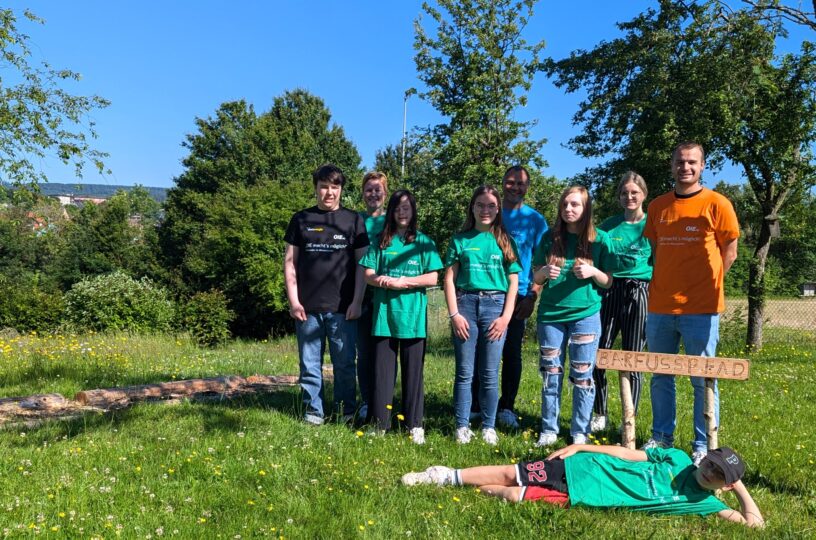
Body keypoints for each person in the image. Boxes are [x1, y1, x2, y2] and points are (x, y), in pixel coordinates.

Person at [643, 142, 739, 465]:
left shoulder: (718, 204)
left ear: (702, 166)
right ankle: (661, 438)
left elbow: (731, 251)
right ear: (671, 166)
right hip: (659, 307)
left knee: (703, 379)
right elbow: (655, 250)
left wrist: (708, 286)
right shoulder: (657, 207)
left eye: (692, 162)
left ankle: (703, 444)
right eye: (680, 162)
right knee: (660, 375)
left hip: (702, 309)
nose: (685, 167)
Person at [400, 444, 765, 528]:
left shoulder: (706, 504)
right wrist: (582, 446)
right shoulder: (679, 460)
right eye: (710, 463)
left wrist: (740, 487)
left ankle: (474, 489)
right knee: (515, 472)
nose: (708, 472)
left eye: (719, 474)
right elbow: (627, 453)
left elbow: (755, 525)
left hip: (585, 497)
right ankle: (446, 475)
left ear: (725, 485)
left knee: (512, 494)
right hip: (587, 466)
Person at [283, 164, 369, 425]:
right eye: (324, 187)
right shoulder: (300, 220)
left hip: (343, 308)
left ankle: (345, 413)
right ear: (316, 189)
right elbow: (289, 262)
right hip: (307, 308)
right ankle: (313, 414)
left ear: (341, 190)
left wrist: (357, 301)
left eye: (334, 187)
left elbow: (362, 265)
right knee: (309, 367)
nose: (329, 192)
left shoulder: (354, 220)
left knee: (344, 366)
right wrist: (293, 300)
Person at [360, 190, 443, 444]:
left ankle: (414, 425)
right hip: (384, 316)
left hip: (413, 318)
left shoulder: (424, 242)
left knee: (413, 373)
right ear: (392, 211)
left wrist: (404, 281)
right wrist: (381, 281)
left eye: (407, 207)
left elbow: (433, 277)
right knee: (382, 373)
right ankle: (379, 424)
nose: (402, 212)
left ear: (413, 210)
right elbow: (368, 273)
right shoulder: (380, 241)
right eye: (397, 207)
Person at [532, 186, 613, 447]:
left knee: (582, 374)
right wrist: (544, 272)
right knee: (550, 372)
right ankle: (549, 429)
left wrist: (593, 272)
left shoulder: (600, 239)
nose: (569, 209)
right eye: (565, 204)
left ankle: (580, 431)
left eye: (575, 205)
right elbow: (535, 276)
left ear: (586, 208)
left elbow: (608, 281)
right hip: (551, 315)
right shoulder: (549, 237)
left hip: (585, 314)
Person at [470, 166, 548, 429]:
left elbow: (542, 263)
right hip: (487, 293)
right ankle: (477, 405)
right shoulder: (490, 212)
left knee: (512, 353)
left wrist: (532, 297)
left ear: (528, 187)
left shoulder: (535, 220)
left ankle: (507, 407)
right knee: (482, 351)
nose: (515, 187)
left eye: (521, 183)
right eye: (511, 182)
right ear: (503, 184)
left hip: (519, 296)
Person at [444, 185, 521, 446]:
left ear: (498, 209)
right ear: (472, 208)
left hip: (495, 307)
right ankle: (462, 426)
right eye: (480, 205)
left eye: (490, 205)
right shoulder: (460, 239)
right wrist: (454, 314)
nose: (485, 210)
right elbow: (450, 278)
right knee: (465, 372)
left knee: (489, 373)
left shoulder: (505, 240)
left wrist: (505, 317)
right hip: (465, 304)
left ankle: (489, 426)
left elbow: (513, 282)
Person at [590, 172, 652, 432]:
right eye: (625, 193)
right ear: (619, 196)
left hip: (640, 291)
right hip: (611, 290)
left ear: (643, 195)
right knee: (599, 354)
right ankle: (599, 413)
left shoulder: (652, 225)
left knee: (632, 356)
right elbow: (595, 256)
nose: (629, 197)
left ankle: (630, 416)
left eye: (634, 193)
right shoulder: (608, 226)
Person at [357, 171, 389, 420]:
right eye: (369, 189)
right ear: (362, 193)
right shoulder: (354, 220)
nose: (373, 194)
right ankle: (367, 401)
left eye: (377, 189)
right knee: (365, 352)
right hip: (361, 295)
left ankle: (385, 401)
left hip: (388, 296)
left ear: (385, 193)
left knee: (386, 353)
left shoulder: (395, 221)